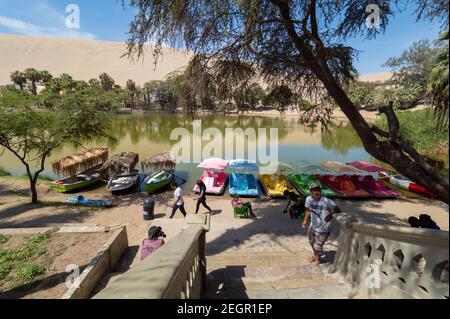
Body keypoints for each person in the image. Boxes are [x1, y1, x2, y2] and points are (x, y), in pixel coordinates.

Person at [302, 183, 341, 265]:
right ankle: (315, 255)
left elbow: (338, 209)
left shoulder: (326, 200)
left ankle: (318, 259)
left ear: (320, 191)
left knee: (317, 246)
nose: (316, 192)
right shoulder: (308, 199)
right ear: (310, 191)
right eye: (314, 190)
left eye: (318, 190)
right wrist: (305, 221)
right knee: (312, 242)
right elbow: (308, 210)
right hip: (312, 226)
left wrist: (331, 214)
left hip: (324, 229)